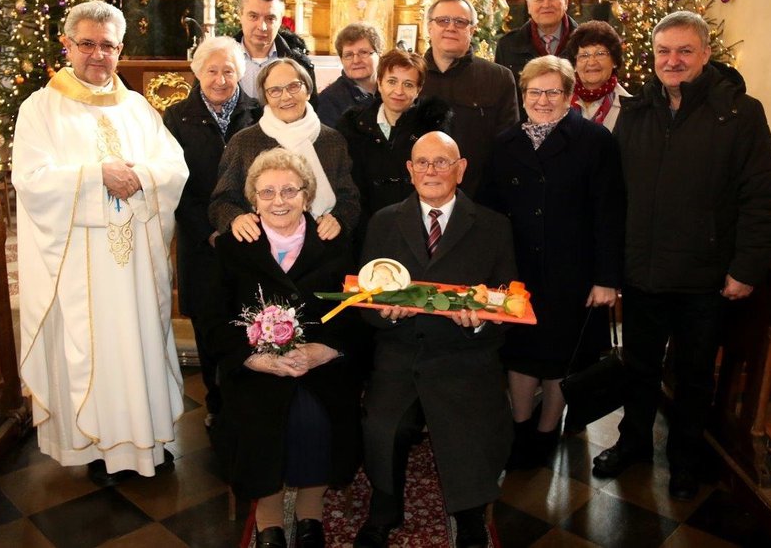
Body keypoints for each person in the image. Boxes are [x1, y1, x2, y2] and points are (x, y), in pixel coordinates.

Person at [592, 11, 771, 501]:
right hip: (642, 272)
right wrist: (611, 268)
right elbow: (613, 197)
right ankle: (633, 441)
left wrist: (746, 268)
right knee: (639, 368)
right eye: (663, 52)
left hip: (705, 276)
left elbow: (760, 197)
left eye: (684, 51)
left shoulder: (741, 113)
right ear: (652, 57)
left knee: (695, 374)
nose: (672, 60)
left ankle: (685, 457)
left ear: (705, 54)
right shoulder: (635, 113)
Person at [12, 1, 189, 485]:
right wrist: (96, 177)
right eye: (86, 43)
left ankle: (150, 441)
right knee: (92, 352)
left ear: (120, 49)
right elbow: (30, 180)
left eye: (107, 45)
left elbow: (175, 168)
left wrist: (141, 177)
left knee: (142, 345)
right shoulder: (41, 109)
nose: (97, 54)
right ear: (66, 45)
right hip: (80, 269)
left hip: (135, 265)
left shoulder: (137, 107)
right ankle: (96, 449)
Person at [354, 132, 517, 548]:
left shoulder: (494, 227)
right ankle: (385, 509)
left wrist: (479, 322)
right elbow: (364, 300)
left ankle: (470, 515)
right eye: (422, 163)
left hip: (466, 354)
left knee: (471, 424)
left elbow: (506, 303)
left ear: (460, 169)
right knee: (383, 426)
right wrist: (383, 317)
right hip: (401, 350)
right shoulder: (383, 222)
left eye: (441, 162)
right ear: (409, 172)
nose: (431, 171)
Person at [200, 148, 361, 548]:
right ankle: (268, 517)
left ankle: (311, 513)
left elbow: (358, 314)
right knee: (258, 417)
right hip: (254, 366)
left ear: (307, 196)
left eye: (290, 190)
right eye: (267, 192)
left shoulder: (336, 244)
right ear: (252, 198)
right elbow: (213, 320)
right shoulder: (233, 247)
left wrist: (328, 350)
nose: (279, 201)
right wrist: (252, 358)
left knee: (315, 418)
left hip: (320, 364)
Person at [479, 55, 625, 468]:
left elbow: (610, 214)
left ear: (568, 94)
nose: (543, 100)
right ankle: (521, 426)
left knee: (562, 357)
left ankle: (548, 430)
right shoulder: (506, 144)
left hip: (574, 273)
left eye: (553, 92)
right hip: (518, 271)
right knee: (523, 354)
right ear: (523, 95)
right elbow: (488, 213)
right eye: (534, 92)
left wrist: (606, 279)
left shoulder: (595, 142)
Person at [163, 36, 262, 430]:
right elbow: (176, 184)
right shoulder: (176, 118)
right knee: (208, 324)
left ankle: (247, 398)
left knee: (248, 318)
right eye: (212, 70)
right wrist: (208, 230)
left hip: (249, 236)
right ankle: (216, 403)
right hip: (200, 240)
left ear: (240, 73)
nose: (221, 79)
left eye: (229, 71)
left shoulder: (257, 113)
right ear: (197, 72)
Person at [209, 58, 360, 244]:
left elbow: (349, 198)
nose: (286, 96)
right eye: (275, 91)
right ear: (265, 98)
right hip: (259, 248)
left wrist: (339, 219)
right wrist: (235, 218)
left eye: (294, 86)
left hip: (321, 247)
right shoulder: (244, 141)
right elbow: (221, 201)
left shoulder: (332, 140)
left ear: (308, 90)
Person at [335, 49, 452, 243]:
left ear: (418, 90)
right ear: (379, 83)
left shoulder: (432, 126)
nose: (398, 91)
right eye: (392, 81)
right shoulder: (353, 126)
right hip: (366, 226)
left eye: (408, 84)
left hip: (418, 226)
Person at [420, 0, 519, 199]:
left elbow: (508, 146)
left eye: (460, 22)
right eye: (443, 21)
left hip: (479, 198)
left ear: (472, 30)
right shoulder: (410, 76)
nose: (451, 27)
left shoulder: (498, 77)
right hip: (419, 198)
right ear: (429, 27)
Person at [495, 0, 578, 105]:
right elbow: (502, 99)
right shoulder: (508, 46)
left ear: (566, 2)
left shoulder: (584, 42)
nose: (546, 5)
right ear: (529, 6)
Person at [234, 0, 317, 107]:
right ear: (240, 15)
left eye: (270, 18)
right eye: (253, 16)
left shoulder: (299, 62)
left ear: (280, 20)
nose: (261, 27)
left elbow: (311, 111)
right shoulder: (219, 58)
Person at [565, 20, 631, 131]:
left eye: (600, 54)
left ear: (614, 61)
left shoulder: (629, 108)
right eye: (584, 55)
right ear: (575, 64)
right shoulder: (559, 100)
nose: (591, 62)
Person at [317, 22, 383, 128]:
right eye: (348, 55)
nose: (356, 60)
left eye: (363, 52)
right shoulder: (329, 100)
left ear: (379, 54)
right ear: (341, 59)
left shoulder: (393, 91)